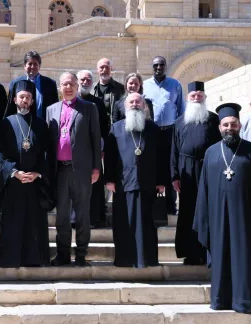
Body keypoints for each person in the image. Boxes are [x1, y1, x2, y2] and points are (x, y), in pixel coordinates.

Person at [193, 103, 251, 315]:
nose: (229, 128)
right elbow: (203, 191)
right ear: (219, 127)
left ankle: (246, 301)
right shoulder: (211, 153)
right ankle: (222, 300)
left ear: (239, 125)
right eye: (225, 125)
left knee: (246, 258)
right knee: (222, 256)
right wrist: (204, 219)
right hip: (218, 220)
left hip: (246, 220)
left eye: (233, 124)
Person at [47, 72, 102, 267]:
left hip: (82, 170)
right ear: (60, 88)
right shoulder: (51, 110)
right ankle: (62, 254)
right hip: (60, 171)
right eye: (64, 84)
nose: (68, 87)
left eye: (71, 84)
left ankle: (81, 254)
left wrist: (96, 168)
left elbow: (96, 140)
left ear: (77, 86)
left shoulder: (89, 108)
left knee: (82, 215)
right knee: (61, 215)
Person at [104, 93, 165, 268]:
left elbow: (161, 157)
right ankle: (125, 259)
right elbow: (109, 156)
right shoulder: (116, 128)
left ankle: (147, 260)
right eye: (131, 102)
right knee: (124, 222)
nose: (135, 104)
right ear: (125, 106)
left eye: (138, 101)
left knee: (147, 224)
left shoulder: (153, 128)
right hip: (124, 182)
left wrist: (161, 181)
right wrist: (108, 179)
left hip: (149, 182)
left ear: (144, 105)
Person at [0, 80, 51, 268]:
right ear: (14, 100)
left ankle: (34, 260)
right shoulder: (6, 124)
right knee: (13, 222)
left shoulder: (41, 125)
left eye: (28, 98)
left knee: (34, 223)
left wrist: (38, 173)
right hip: (14, 183)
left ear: (32, 101)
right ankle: (11, 259)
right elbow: (0, 153)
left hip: (34, 184)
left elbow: (46, 152)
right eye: (22, 97)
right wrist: (14, 172)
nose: (25, 100)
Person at [170, 81, 221, 265]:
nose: (196, 98)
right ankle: (190, 252)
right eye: (193, 96)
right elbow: (174, 151)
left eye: (200, 95)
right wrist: (174, 176)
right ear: (187, 98)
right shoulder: (179, 122)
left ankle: (208, 252)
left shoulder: (214, 120)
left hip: (208, 169)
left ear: (204, 97)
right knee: (188, 210)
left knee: (208, 210)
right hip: (186, 172)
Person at [143, 56, 184, 215]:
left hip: (170, 131)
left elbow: (181, 109)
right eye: (155, 65)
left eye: (161, 65)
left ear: (166, 66)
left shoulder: (175, 85)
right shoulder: (145, 85)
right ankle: (152, 204)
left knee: (170, 166)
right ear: (152, 67)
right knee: (152, 165)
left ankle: (170, 205)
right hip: (151, 131)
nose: (158, 67)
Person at [76, 69, 109, 228]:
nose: (85, 82)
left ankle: (95, 218)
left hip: (93, 151)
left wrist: (102, 149)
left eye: (89, 80)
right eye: (82, 79)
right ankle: (75, 219)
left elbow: (104, 128)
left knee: (94, 185)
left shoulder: (98, 103)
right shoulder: (71, 101)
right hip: (74, 153)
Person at [6, 51, 59, 120]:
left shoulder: (50, 84)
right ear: (24, 66)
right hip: (21, 125)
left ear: (39, 66)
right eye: (30, 64)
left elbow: (55, 108)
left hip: (43, 126)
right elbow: (10, 107)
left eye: (35, 64)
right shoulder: (15, 83)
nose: (32, 67)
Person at [91, 58, 125, 128]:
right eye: (102, 67)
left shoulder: (120, 88)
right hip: (96, 128)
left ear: (111, 69)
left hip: (114, 128)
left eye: (107, 67)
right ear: (97, 69)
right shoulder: (92, 89)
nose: (104, 70)